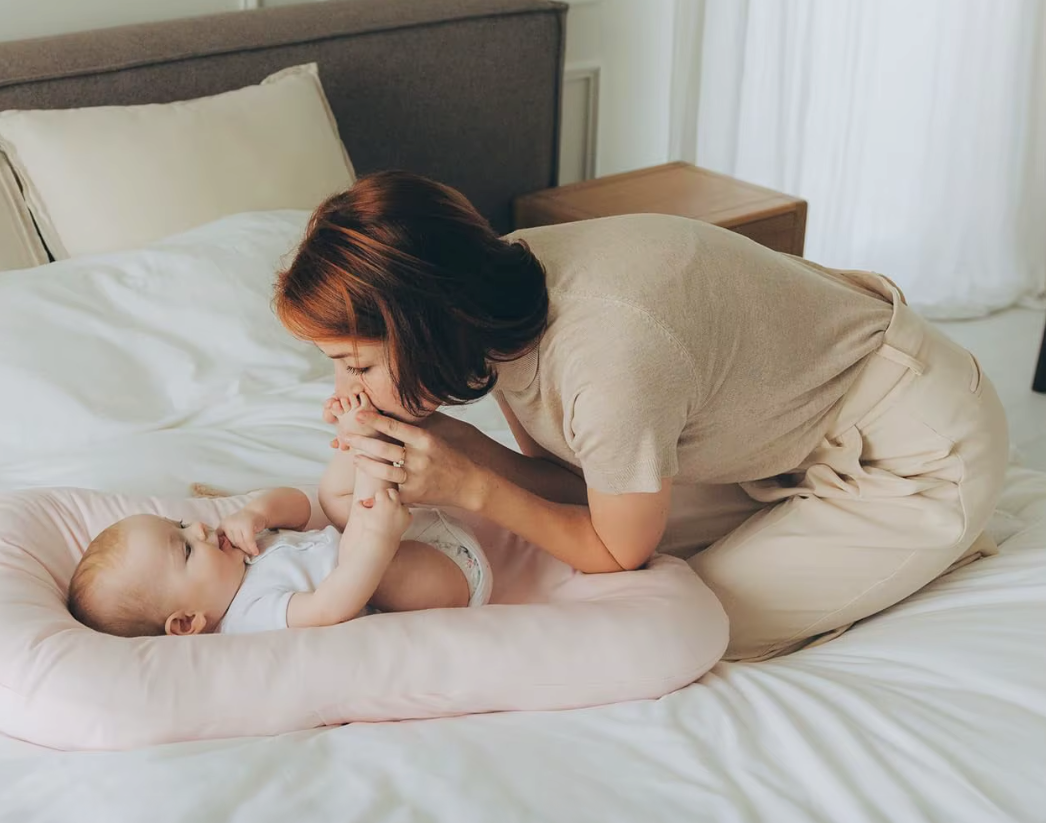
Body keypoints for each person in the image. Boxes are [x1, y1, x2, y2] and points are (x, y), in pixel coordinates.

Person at [274, 170, 1009, 661]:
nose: (345, 387)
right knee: (583, 566)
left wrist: (470, 484)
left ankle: (936, 539)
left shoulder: (609, 355)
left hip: (912, 451)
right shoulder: (494, 297)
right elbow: (571, 484)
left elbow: (614, 548)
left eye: (357, 364)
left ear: (427, 327)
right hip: (779, 441)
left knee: (678, 624)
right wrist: (459, 446)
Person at [67, 395, 492, 636]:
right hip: (444, 583)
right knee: (364, 562)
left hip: (411, 537)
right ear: (185, 622)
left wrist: (257, 511)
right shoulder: (249, 616)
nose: (197, 527)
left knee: (329, 496)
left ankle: (360, 437)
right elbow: (328, 608)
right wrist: (376, 541)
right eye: (186, 549)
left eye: (180, 526)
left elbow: (300, 507)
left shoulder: (238, 551)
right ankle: (372, 443)